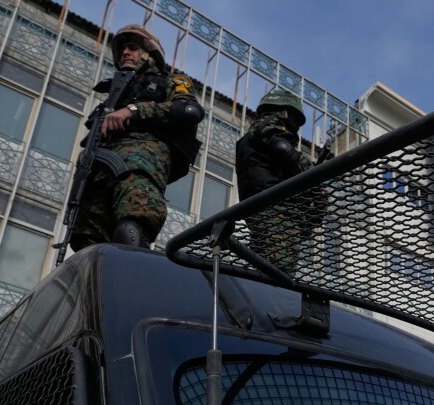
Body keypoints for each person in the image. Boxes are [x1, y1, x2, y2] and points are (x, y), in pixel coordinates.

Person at [69, 24, 204, 252]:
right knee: (87, 244)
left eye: (132, 47)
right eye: (123, 49)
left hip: (140, 162)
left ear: (149, 54)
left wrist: (132, 110)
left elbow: (189, 110)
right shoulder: (112, 97)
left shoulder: (171, 81)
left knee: (131, 229)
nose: (125, 52)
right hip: (98, 172)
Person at [235, 88, 315, 275]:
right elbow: (283, 149)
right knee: (278, 275)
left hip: (270, 215)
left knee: (267, 275)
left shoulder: (256, 140)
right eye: (295, 121)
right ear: (285, 113)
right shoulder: (267, 128)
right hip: (276, 215)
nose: (295, 128)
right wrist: (312, 171)